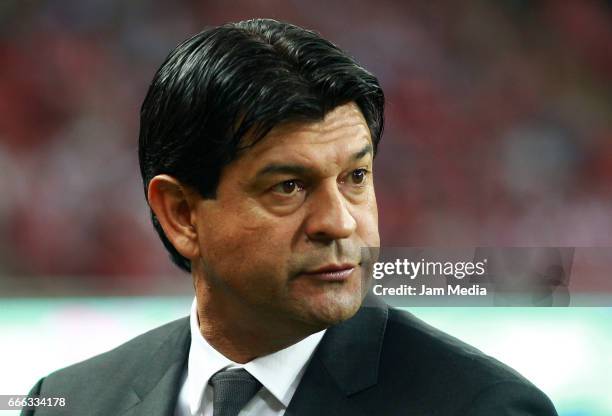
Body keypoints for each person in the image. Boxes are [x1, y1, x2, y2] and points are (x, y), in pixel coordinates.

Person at [23, 19, 558, 416]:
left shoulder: (484, 407)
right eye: (289, 187)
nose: (340, 223)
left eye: (355, 178)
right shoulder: (66, 402)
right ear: (182, 214)